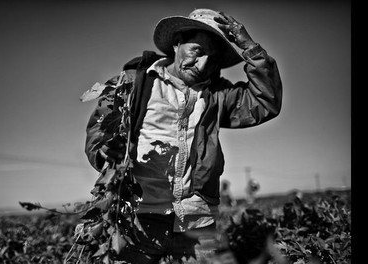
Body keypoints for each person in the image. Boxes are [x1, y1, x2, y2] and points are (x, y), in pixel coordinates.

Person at [84, 8, 282, 264]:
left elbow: (266, 101)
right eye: (197, 51)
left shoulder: (217, 94)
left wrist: (250, 49)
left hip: (197, 219)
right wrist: (104, 152)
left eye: (212, 60)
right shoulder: (133, 83)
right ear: (177, 43)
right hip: (137, 218)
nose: (202, 65)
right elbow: (99, 134)